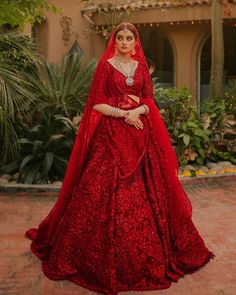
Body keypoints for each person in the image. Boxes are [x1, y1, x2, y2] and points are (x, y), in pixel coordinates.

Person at [25, 22, 215, 295]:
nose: (125, 42)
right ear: (114, 41)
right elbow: (96, 103)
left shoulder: (141, 68)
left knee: (152, 188)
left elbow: (149, 100)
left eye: (129, 38)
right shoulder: (106, 66)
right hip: (110, 136)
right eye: (121, 38)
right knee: (99, 188)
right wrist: (121, 114)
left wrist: (137, 111)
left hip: (140, 135)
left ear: (135, 42)